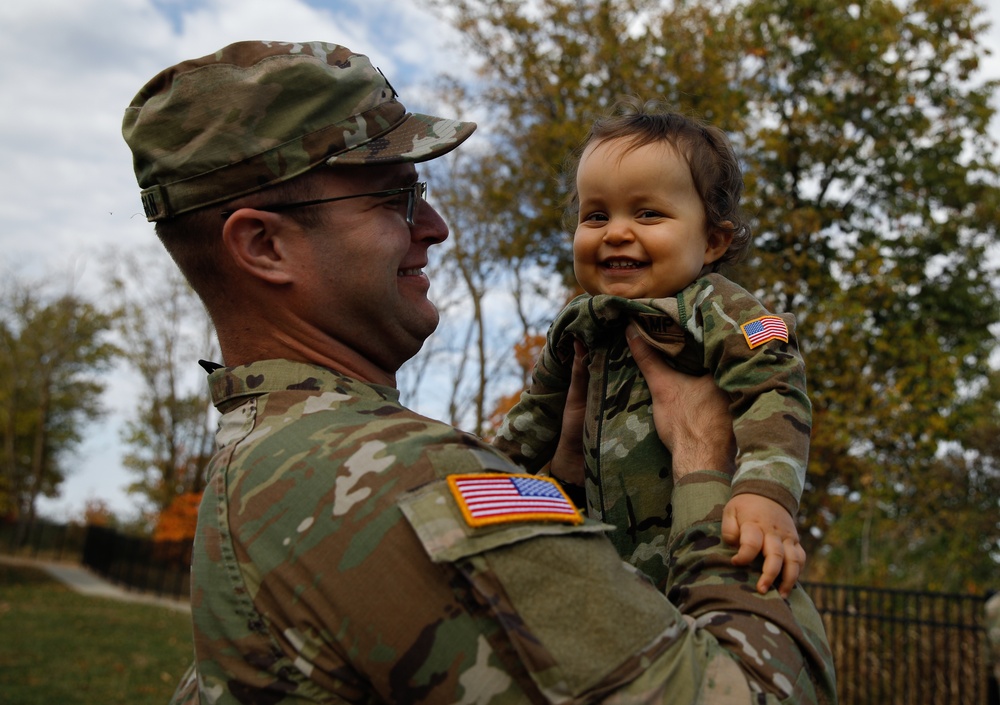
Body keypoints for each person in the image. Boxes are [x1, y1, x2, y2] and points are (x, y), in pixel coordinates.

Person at [122, 40, 836, 704]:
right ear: (264, 246)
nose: (435, 226)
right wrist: (707, 467)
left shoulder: (261, 460)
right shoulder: (389, 482)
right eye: (394, 197)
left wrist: (552, 490)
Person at [494, 101, 810, 597]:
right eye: (595, 214)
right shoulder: (578, 325)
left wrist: (765, 493)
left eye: (648, 213)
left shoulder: (720, 310)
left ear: (711, 242)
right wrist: (484, 478)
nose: (617, 232)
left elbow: (773, 390)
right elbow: (533, 421)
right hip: (602, 573)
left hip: (703, 550)